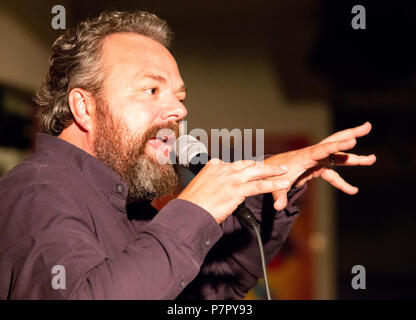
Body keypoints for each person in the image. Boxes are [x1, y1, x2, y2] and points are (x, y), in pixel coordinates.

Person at [0, 10, 376, 299]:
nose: (179, 111)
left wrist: (268, 184)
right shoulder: (37, 191)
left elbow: (206, 291)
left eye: (180, 97)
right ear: (84, 107)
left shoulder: (128, 205)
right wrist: (194, 210)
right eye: (151, 91)